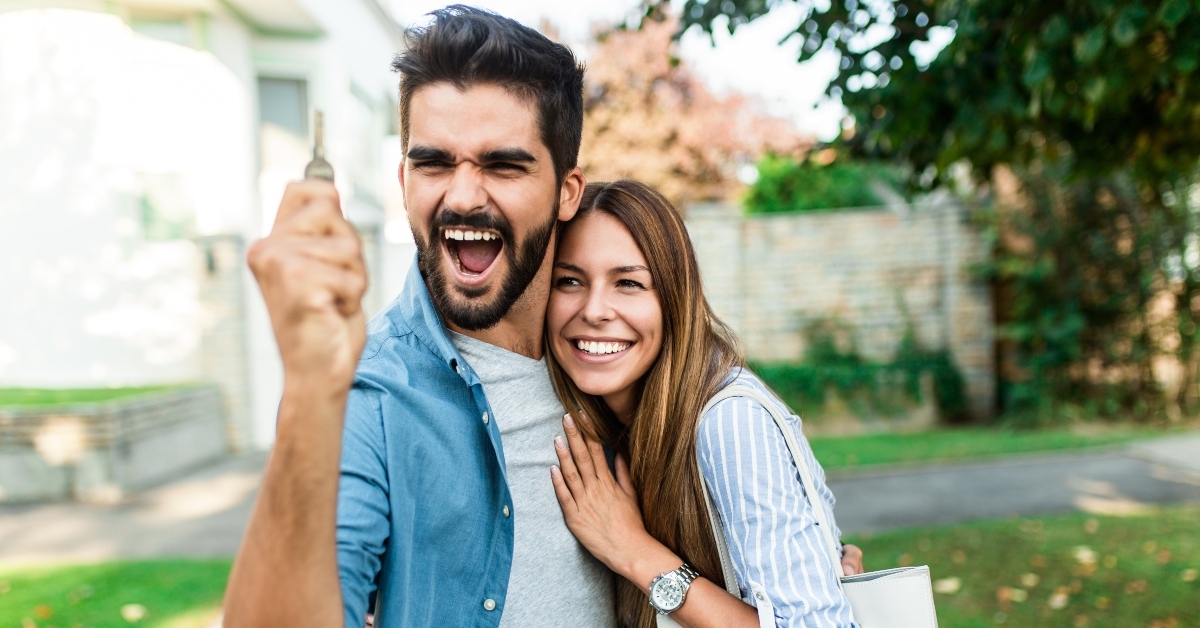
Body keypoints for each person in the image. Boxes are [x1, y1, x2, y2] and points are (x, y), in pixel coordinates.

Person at [223, 7, 613, 627]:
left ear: (568, 190)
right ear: (403, 178)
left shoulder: (620, 357)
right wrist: (308, 389)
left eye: (502, 165)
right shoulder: (363, 393)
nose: (461, 196)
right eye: (434, 163)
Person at [544, 180, 861, 627]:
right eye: (570, 280)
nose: (595, 309)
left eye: (629, 283)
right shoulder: (608, 418)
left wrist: (632, 549)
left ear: (674, 298)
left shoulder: (729, 421)